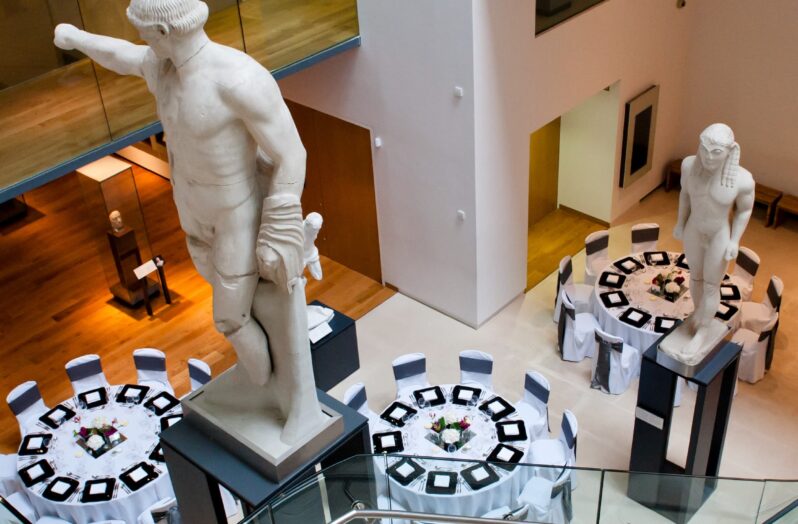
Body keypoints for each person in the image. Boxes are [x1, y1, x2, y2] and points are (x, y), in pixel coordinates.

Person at [54, 0, 324, 443]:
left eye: (144, 30)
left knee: (232, 316)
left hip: (236, 216)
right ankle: (264, 384)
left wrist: (280, 225)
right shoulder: (163, 69)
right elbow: (120, 55)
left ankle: (277, 389)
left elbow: (292, 153)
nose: (140, 38)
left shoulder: (238, 78)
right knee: (235, 302)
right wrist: (77, 39)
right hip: (193, 214)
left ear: (164, 31)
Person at [672, 123, 754, 358]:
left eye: (716, 152)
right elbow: (684, 196)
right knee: (695, 278)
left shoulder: (743, 179)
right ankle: (699, 314)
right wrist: (680, 223)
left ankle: (703, 330)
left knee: (711, 285)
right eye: (704, 149)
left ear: (730, 151)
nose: (708, 157)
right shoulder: (689, 166)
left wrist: (735, 240)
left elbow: (744, 210)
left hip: (719, 234)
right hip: (694, 228)